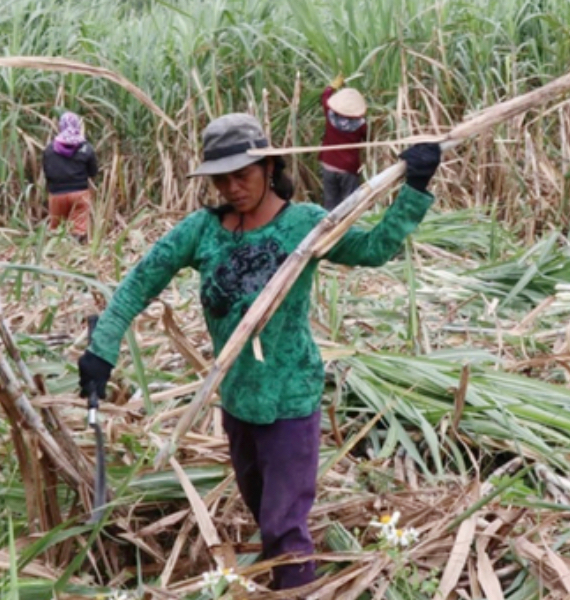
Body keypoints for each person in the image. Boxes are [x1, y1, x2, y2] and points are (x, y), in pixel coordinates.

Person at [77, 113, 441, 591]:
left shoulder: (305, 225)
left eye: (241, 174)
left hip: (290, 399)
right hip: (237, 398)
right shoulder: (202, 231)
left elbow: (373, 248)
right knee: (264, 515)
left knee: (284, 529)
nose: (231, 187)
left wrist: (414, 185)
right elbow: (138, 283)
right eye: (221, 179)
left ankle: (295, 586)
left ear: (269, 167)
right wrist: (101, 349)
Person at [43, 111, 99, 243]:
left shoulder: (50, 149)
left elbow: (46, 172)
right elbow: (93, 172)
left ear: (61, 126)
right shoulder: (86, 148)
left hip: (56, 195)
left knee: (56, 229)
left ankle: (56, 254)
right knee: (78, 229)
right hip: (79, 193)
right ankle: (74, 252)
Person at [318, 75, 368, 211]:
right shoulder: (361, 125)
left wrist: (333, 86)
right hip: (348, 168)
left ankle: (329, 230)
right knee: (349, 204)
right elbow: (367, 138)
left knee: (330, 203)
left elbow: (324, 97)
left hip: (328, 164)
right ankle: (347, 230)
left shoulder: (330, 116)